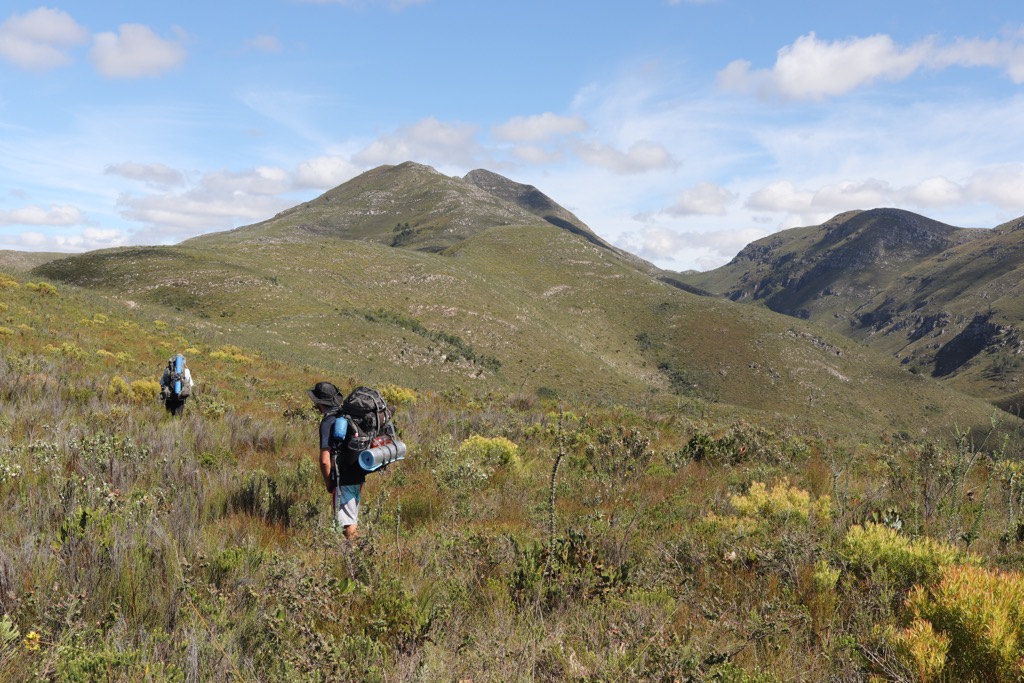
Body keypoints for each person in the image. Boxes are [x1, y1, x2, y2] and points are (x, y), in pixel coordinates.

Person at [309, 381, 366, 542]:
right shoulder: (345, 415)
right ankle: (354, 554)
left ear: (320, 403)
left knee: (347, 523)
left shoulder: (328, 422)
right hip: (358, 472)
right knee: (351, 516)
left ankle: (354, 559)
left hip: (343, 477)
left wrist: (328, 483)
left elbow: (325, 460)